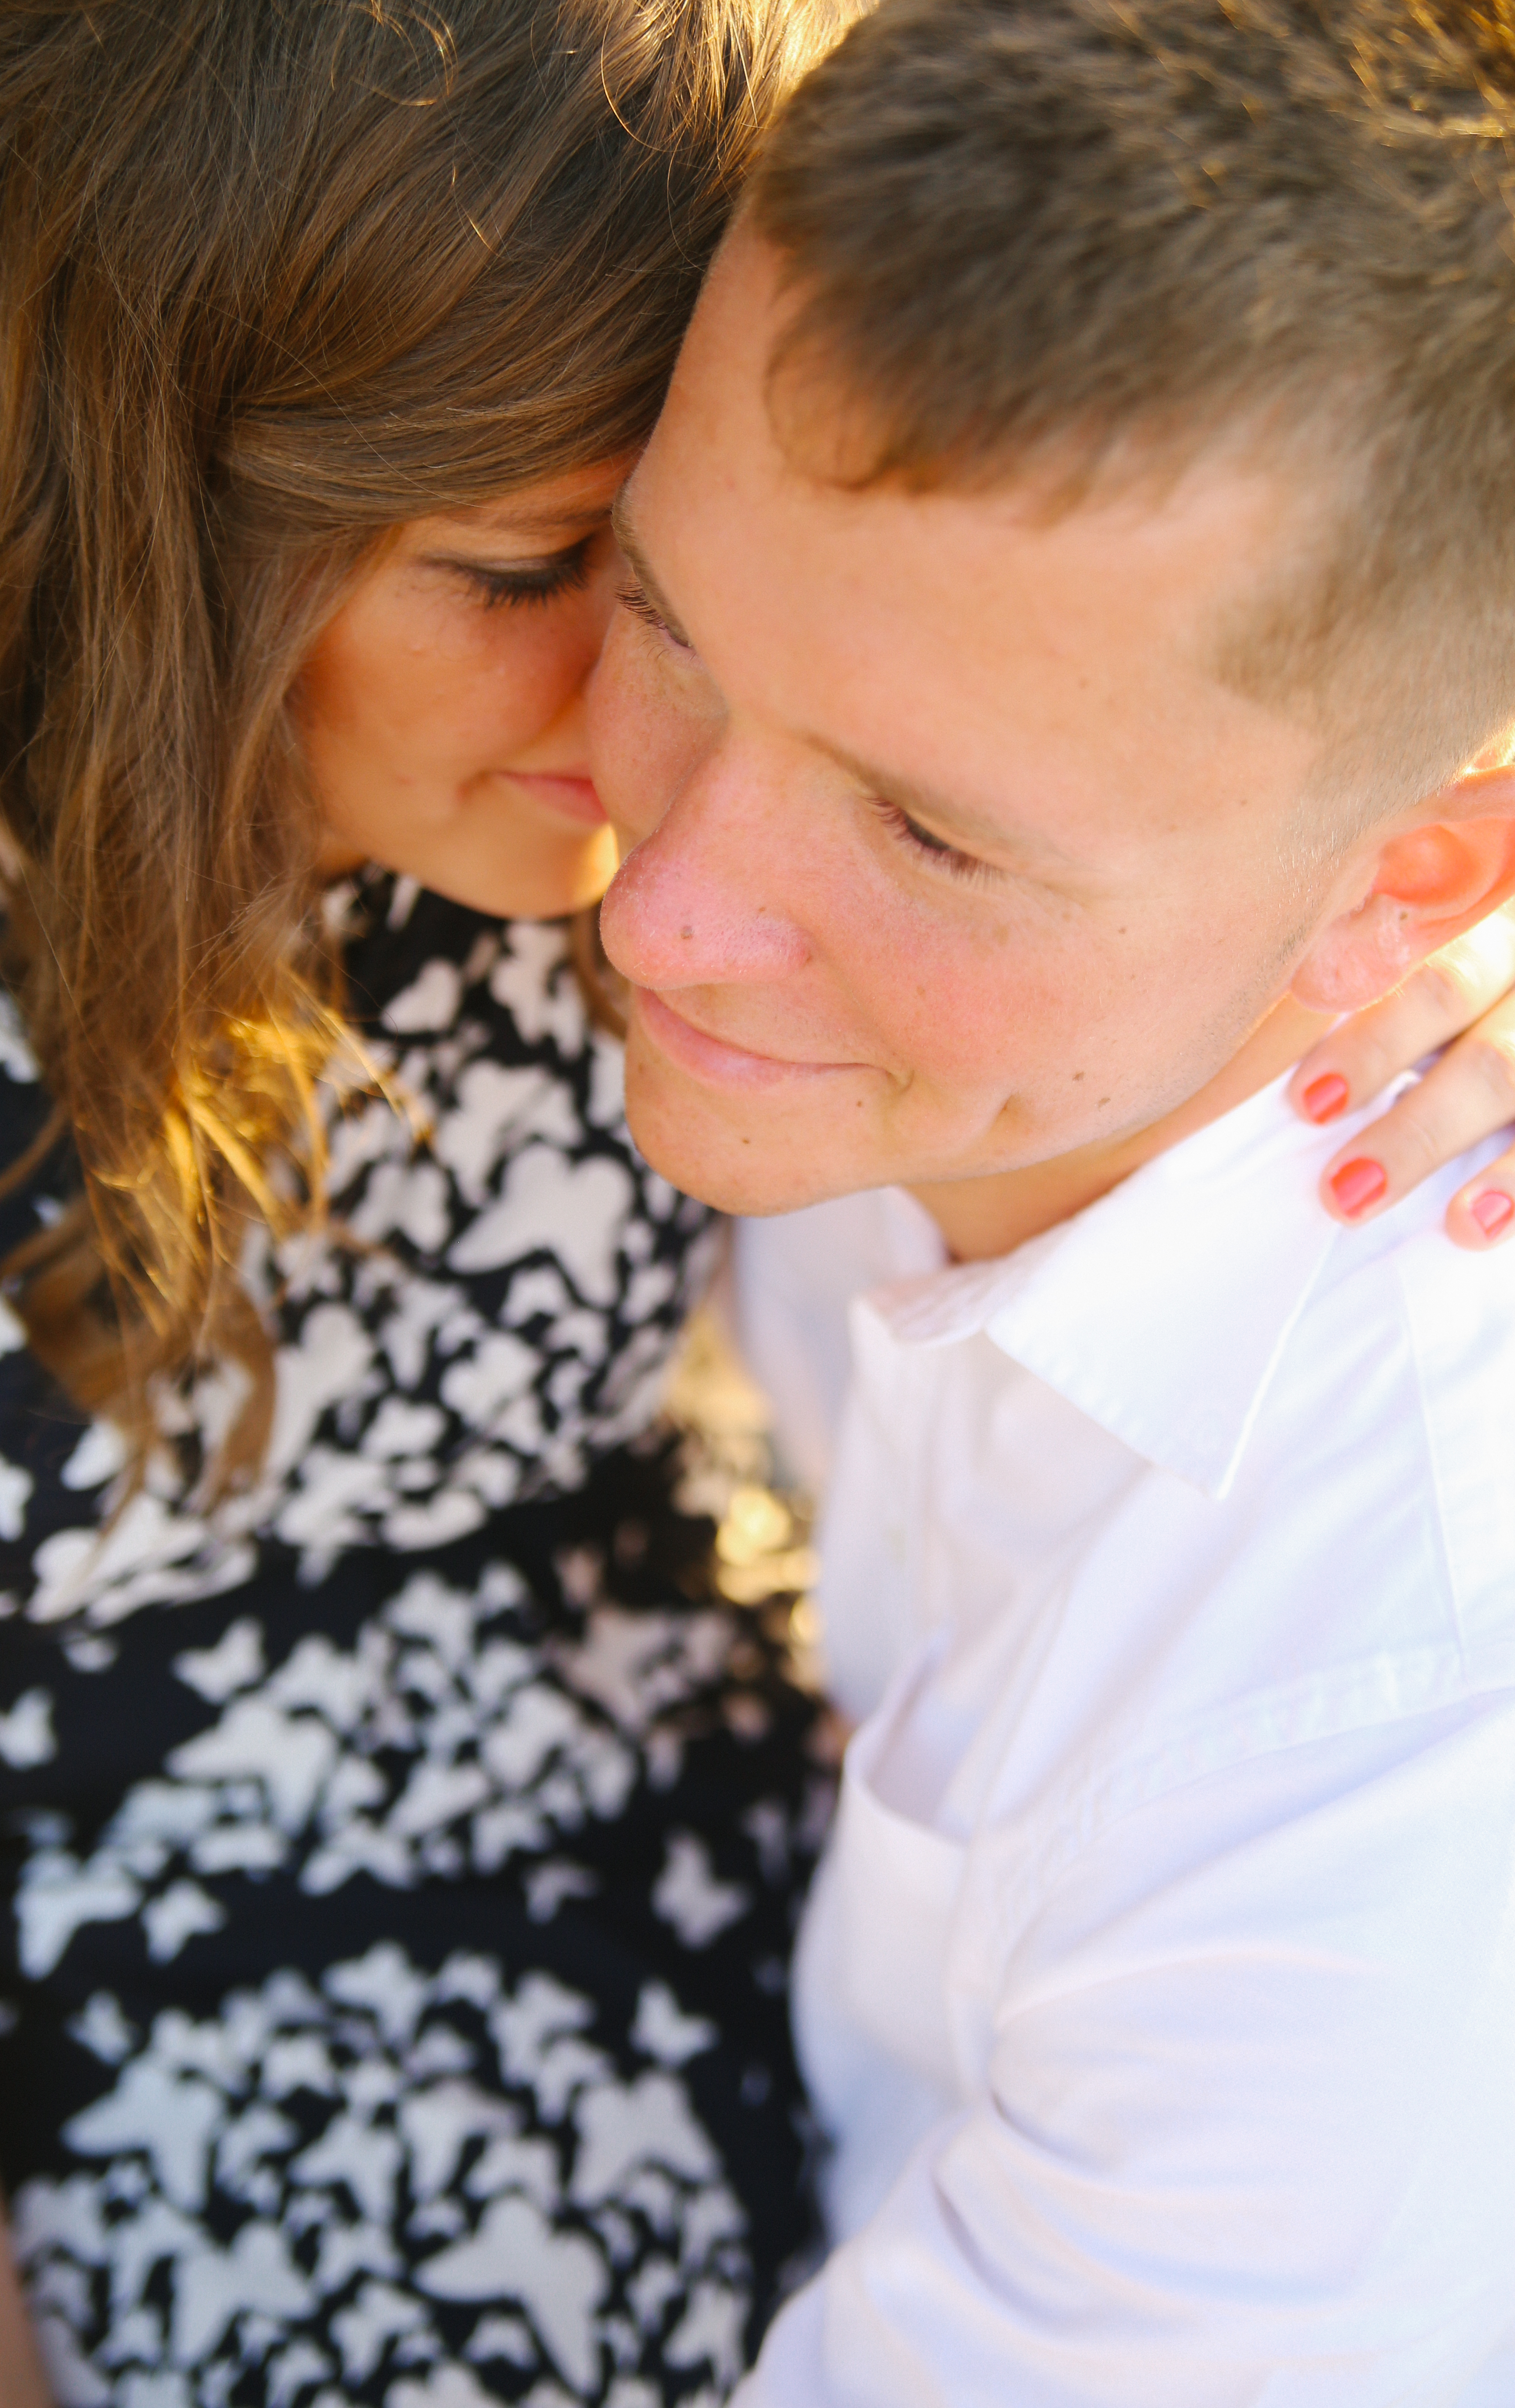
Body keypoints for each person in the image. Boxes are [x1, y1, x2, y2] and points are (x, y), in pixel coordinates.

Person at [0, 5, 852, 2403]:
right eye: (534, 562)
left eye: (675, 568)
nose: (653, 699)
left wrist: (1391, 1001)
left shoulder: (651, 782)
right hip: (186, 2193)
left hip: (868, 2038)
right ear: (156, 494)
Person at [587, 1, 1515, 2397]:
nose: (658, 913)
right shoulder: (984, 1015)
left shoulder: (1388, 1792)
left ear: (1401, 882)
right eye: (656, 624)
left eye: (930, 834)